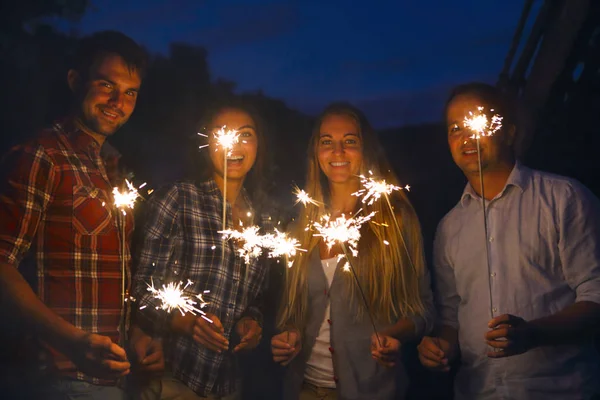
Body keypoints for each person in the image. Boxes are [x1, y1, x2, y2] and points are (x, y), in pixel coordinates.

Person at [0, 30, 163, 399]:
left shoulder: (113, 167)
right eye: (107, 85)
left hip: (109, 379)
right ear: (75, 81)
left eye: (130, 92)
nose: (117, 101)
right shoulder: (42, 156)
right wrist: (72, 342)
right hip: (53, 380)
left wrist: (136, 335)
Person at [417, 82, 600, 399]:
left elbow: (596, 294)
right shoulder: (449, 228)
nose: (466, 137)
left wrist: (535, 332)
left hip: (560, 389)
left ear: (509, 132)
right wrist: (439, 347)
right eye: (455, 128)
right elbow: (451, 318)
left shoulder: (563, 199)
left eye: (478, 122)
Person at [271, 102, 434, 399]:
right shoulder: (302, 226)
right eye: (327, 142)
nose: (337, 152)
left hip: (371, 390)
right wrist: (289, 334)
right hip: (303, 389)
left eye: (349, 142)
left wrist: (394, 335)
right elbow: (292, 311)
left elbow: (423, 310)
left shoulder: (395, 221)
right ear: (315, 153)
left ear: (366, 149)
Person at [132, 100, 272, 400]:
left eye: (245, 134)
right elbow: (140, 290)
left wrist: (251, 323)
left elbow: (255, 299)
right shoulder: (178, 199)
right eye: (223, 132)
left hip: (229, 385)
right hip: (171, 381)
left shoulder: (262, 220)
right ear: (206, 142)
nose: (234, 143)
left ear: (258, 144)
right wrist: (187, 322)